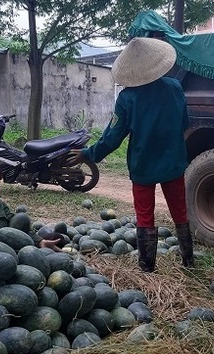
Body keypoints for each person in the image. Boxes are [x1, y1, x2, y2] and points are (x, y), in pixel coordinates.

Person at [73, 37, 193, 272]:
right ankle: (189, 260)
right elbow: (184, 123)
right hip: (173, 162)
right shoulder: (175, 87)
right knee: (180, 211)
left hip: (143, 165)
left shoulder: (128, 98)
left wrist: (90, 154)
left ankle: (147, 268)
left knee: (145, 216)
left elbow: (113, 138)